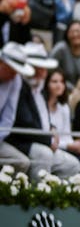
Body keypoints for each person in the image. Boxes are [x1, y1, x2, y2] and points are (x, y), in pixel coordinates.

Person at [7, 43, 80, 179]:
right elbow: (24, 122)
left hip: (41, 139)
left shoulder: (40, 89)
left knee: (73, 165)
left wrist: (51, 128)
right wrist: (48, 139)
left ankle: (55, 196)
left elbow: (41, 120)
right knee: (43, 153)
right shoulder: (20, 87)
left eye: (44, 69)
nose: (42, 73)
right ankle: (37, 195)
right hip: (21, 140)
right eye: (38, 68)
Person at [0, 43, 35, 173]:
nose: (15, 75)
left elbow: (9, 116)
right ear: (1, 63)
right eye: (12, 70)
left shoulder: (16, 80)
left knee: (22, 163)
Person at [44, 69, 80, 163]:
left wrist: (79, 147)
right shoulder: (41, 105)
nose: (59, 85)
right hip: (50, 149)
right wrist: (70, 146)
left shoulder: (64, 107)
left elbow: (67, 136)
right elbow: (48, 139)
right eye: (54, 81)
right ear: (46, 84)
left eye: (62, 82)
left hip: (64, 149)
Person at [49, 21, 80, 90]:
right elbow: (50, 70)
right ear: (67, 34)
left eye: (79, 31)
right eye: (72, 32)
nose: (75, 34)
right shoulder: (60, 49)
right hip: (61, 90)